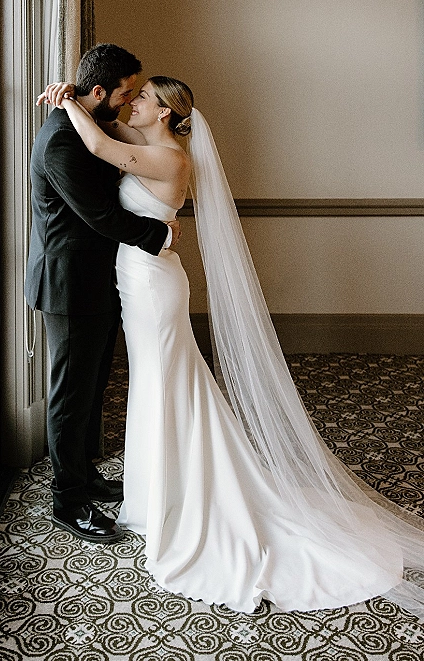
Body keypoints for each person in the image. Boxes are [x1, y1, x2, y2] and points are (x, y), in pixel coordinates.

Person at [40, 73, 424, 615]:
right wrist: (76, 100)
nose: (134, 102)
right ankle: (158, 491)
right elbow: (103, 139)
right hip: (138, 278)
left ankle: (184, 493)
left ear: (167, 114)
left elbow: (99, 144)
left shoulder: (171, 159)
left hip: (153, 286)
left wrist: (63, 100)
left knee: (166, 379)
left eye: (144, 97)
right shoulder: (148, 145)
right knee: (157, 382)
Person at [25, 44, 180, 545]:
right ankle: (68, 501)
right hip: (69, 284)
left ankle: (87, 475)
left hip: (100, 279)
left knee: (91, 388)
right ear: (100, 92)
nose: (129, 100)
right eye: (125, 92)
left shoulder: (85, 124)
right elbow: (103, 217)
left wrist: (68, 98)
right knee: (70, 396)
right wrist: (163, 237)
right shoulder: (62, 143)